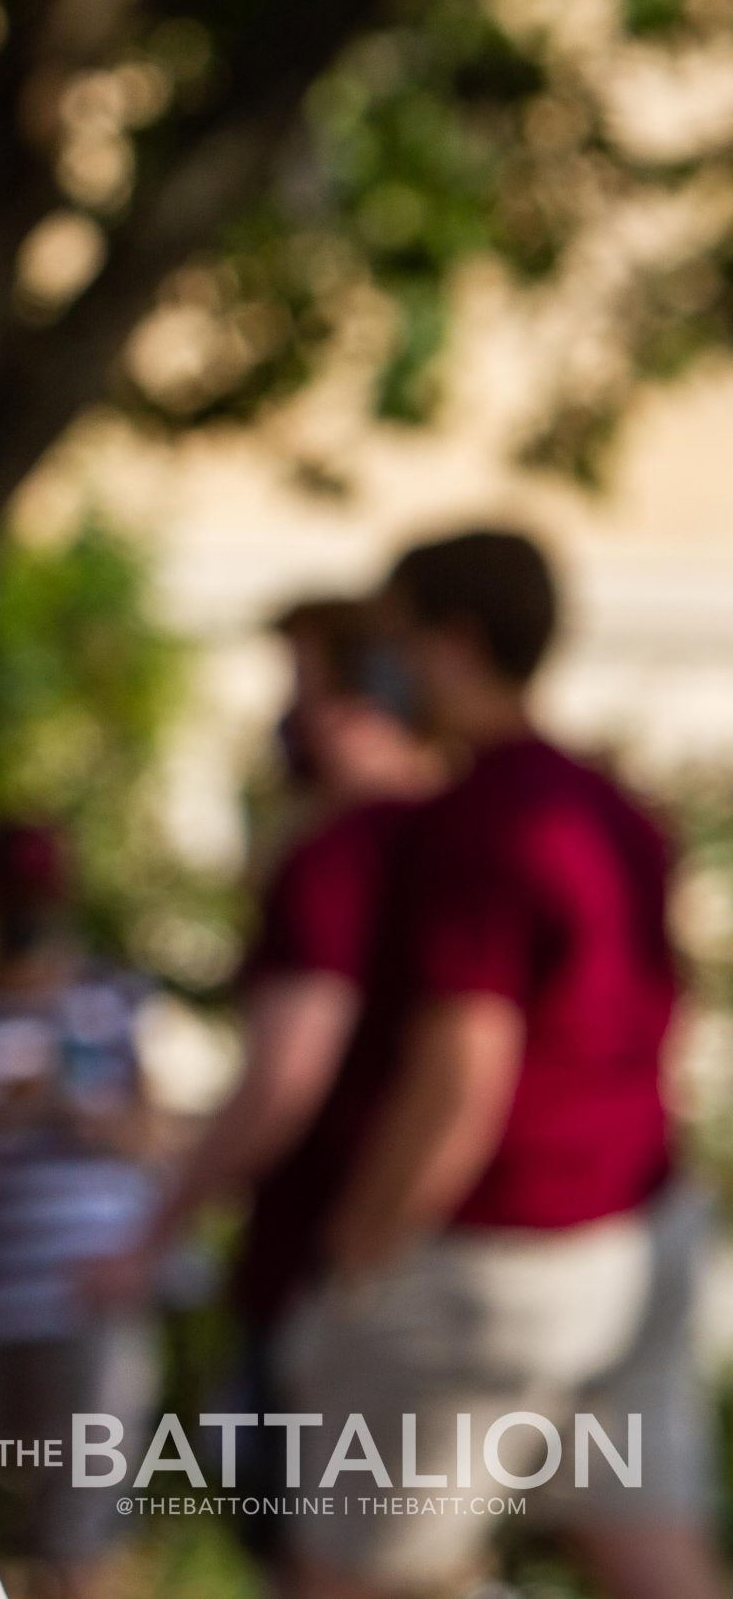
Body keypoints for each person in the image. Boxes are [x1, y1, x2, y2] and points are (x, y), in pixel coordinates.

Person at [279, 531, 720, 1599]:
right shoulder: (609, 806)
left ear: (452, 643)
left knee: (356, 1577)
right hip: (638, 1232)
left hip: (495, 1257)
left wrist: (357, 1246)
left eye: (392, 640)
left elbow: (460, 1075)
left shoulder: (479, 820)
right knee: (648, 1549)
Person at [79, 597, 440, 1554]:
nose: (287, 717)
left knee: (314, 1551)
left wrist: (157, 1230)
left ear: (360, 699)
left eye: (302, 687)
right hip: (431, 1252)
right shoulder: (459, 835)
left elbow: (288, 1071)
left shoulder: (334, 857)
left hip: (328, 1261)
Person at [0, 822, 157, 1599]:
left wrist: (97, 1120)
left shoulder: (109, 998)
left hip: (86, 1301)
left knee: (82, 1533)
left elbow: (153, 1132)